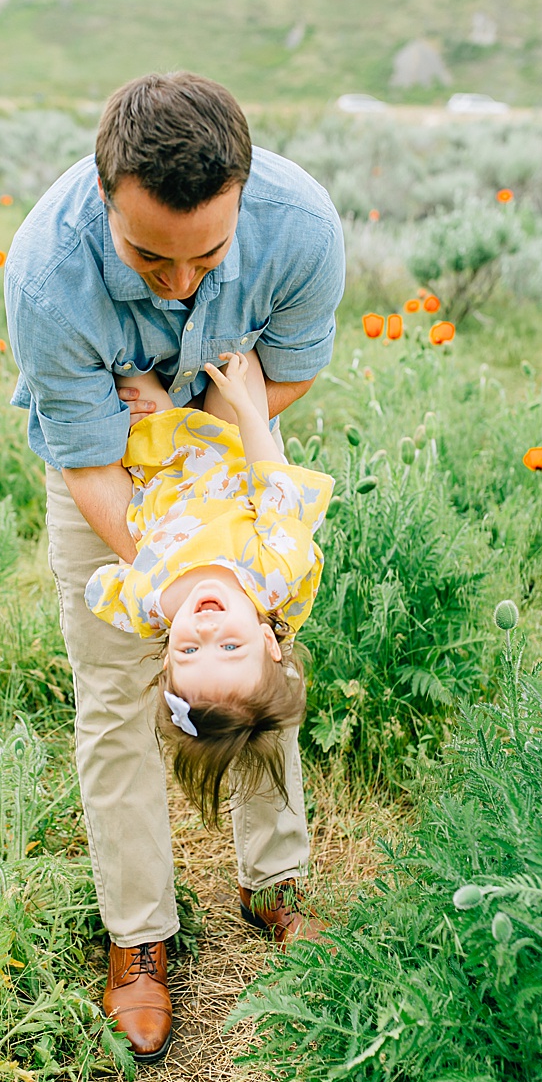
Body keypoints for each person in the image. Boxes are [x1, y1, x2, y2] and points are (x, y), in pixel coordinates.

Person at [5, 70, 344, 1064]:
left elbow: (294, 367)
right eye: (151, 257)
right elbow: (89, 462)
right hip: (116, 482)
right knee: (117, 698)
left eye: (210, 255)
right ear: (105, 195)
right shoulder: (45, 277)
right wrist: (172, 589)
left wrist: (213, 446)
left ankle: (273, 879)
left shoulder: (302, 228)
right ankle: (139, 935)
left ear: (242, 197)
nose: (184, 284)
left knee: (256, 681)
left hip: (237, 467)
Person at [86, 349, 333, 832]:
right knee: (235, 360)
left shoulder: (150, 603)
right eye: (230, 646)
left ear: (166, 662)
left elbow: (108, 582)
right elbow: (276, 488)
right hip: (234, 446)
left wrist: (123, 446)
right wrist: (247, 409)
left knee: (132, 375)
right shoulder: (271, 575)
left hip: (166, 457)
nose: (206, 627)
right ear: (267, 643)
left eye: (191, 649)